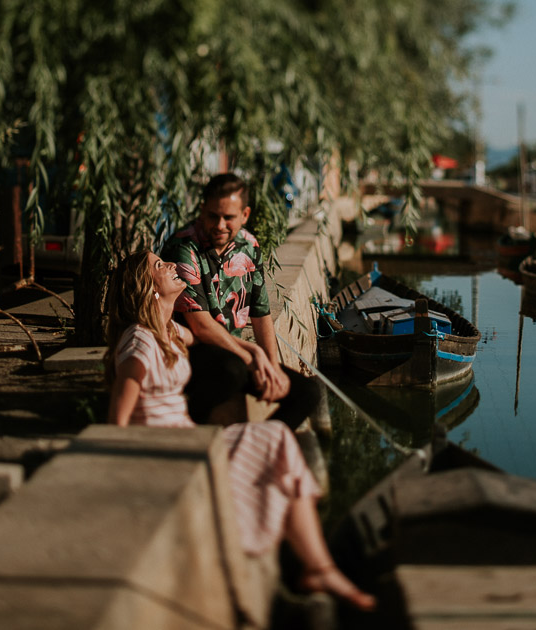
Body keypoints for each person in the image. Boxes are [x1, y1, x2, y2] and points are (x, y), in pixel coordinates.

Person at [105, 250, 375, 610]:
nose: (169, 264)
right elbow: (118, 423)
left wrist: (257, 354)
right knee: (274, 441)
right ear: (147, 289)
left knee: (277, 438)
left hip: (188, 440)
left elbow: (204, 336)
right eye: (158, 266)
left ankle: (317, 567)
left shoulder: (168, 331)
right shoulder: (139, 344)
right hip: (172, 451)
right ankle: (315, 566)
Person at [160, 173, 319, 430]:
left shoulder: (249, 245)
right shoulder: (184, 248)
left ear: (245, 215)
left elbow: (261, 312)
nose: (220, 225)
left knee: (307, 392)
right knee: (232, 372)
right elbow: (200, 326)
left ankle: (257, 446)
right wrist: (252, 355)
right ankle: (188, 426)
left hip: (232, 353)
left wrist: (270, 366)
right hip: (192, 352)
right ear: (202, 210)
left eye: (229, 218)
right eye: (213, 215)